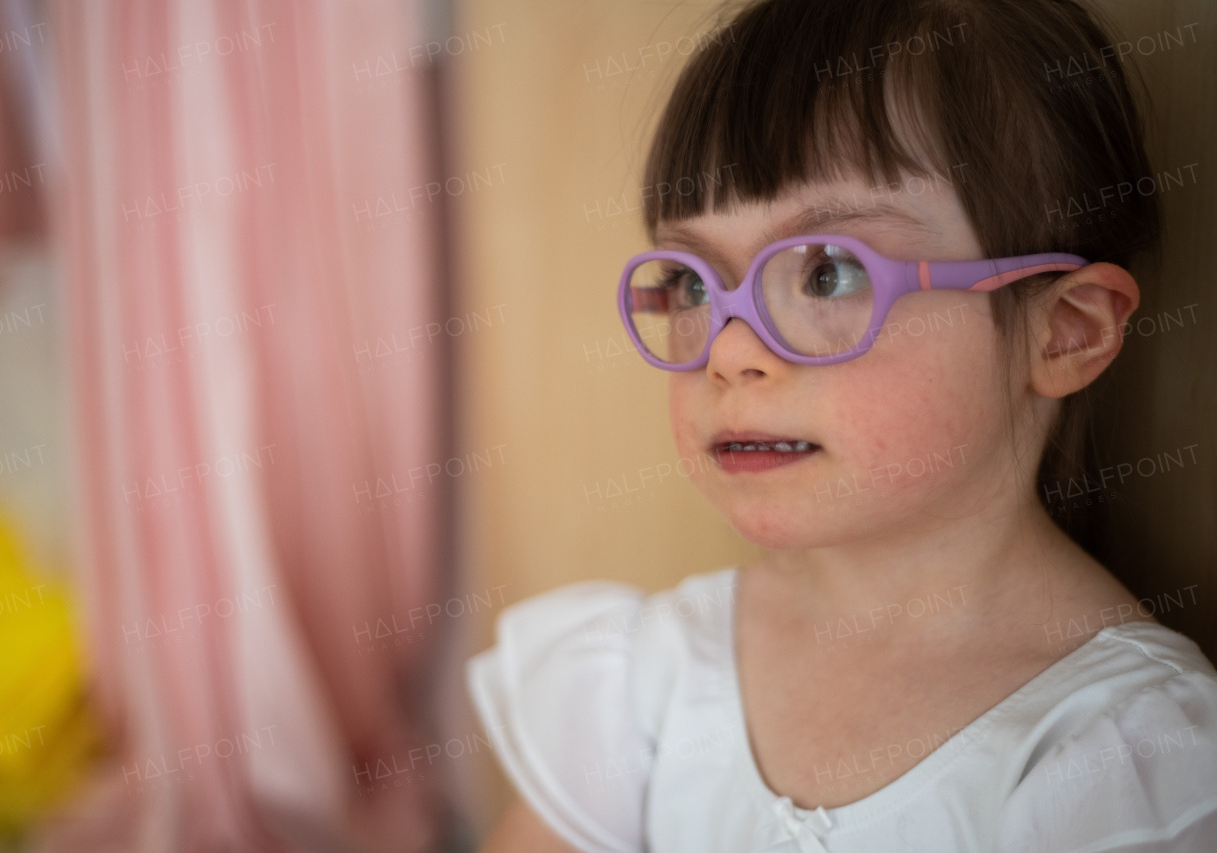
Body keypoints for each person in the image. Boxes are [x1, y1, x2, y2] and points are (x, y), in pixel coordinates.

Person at [465, 0, 1217, 850]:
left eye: (826, 274)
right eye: (694, 286)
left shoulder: (1119, 753)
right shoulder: (647, 672)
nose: (730, 351)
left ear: (1065, 329)